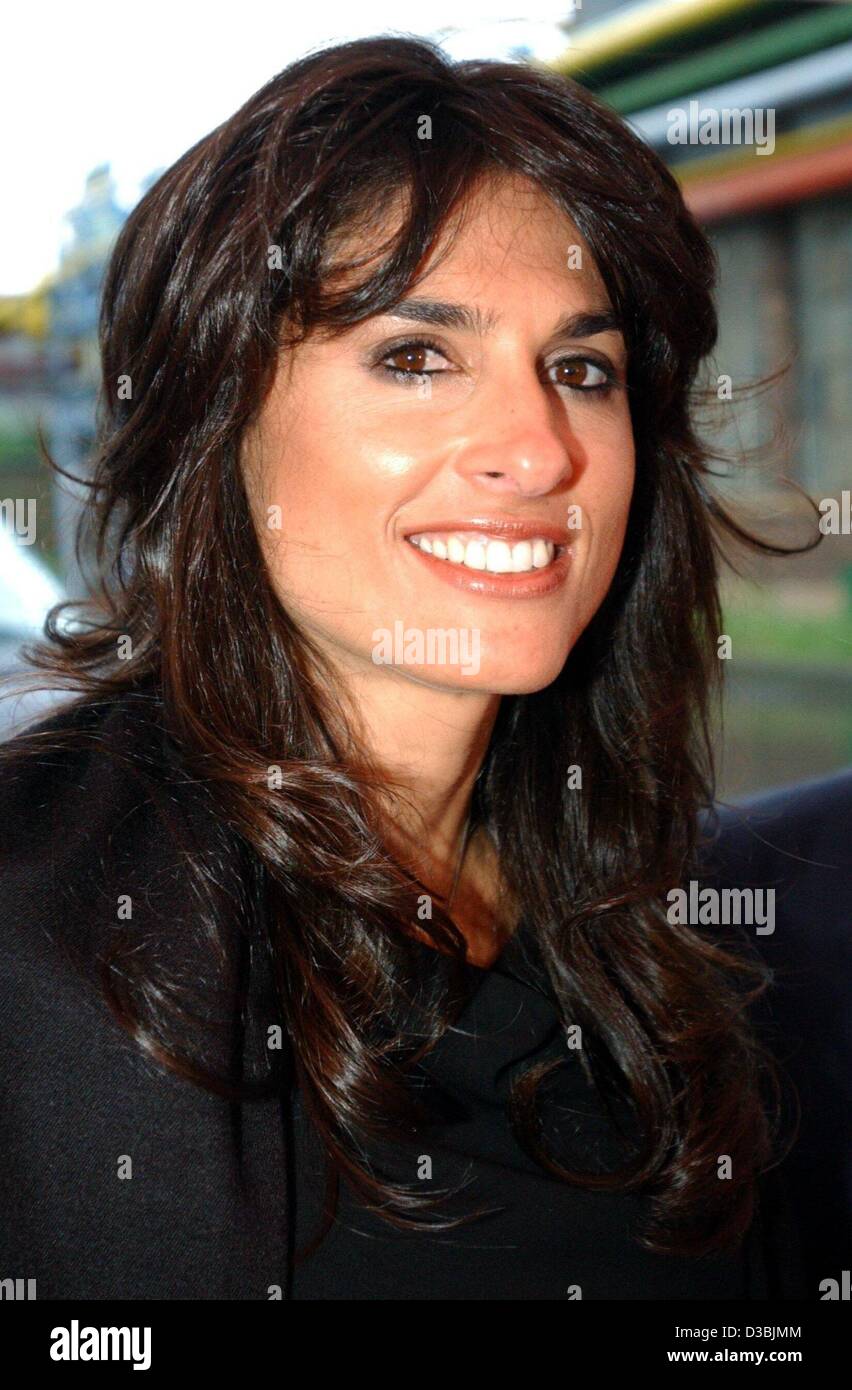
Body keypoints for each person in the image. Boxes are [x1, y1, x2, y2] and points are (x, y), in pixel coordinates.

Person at [0, 34, 832, 1300]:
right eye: (415, 358)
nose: (536, 448)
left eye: (579, 369)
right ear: (215, 426)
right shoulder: (37, 938)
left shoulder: (636, 905)